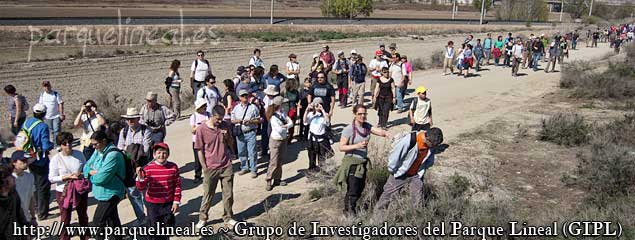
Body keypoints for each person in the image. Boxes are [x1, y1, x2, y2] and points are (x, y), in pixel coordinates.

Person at [333, 104, 391, 215]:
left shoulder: (366, 126)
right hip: (352, 163)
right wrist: (357, 146)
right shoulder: (348, 130)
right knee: (353, 189)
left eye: (364, 114)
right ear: (355, 114)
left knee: (360, 188)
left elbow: (377, 131)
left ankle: (350, 208)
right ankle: (349, 211)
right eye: (360, 114)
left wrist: (385, 133)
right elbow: (341, 147)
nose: (362, 116)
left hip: (362, 163)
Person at [374, 128, 444, 211]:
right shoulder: (409, 140)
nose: (434, 147)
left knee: (418, 199)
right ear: (427, 139)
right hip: (400, 173)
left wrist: (423, 170)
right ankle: (377, 219)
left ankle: (415, 218)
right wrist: (393, 171)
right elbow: (395, 156)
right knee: (387, 195)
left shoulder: (431, 144)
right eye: (433, 145)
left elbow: (429, 158)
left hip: (416, 175)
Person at [195, 105, 238, 230]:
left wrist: (227, 137)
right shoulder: (201, 129)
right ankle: (203, 218)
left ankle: (228, 217)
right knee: (208, 194)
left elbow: (231, 144)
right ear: (212, 115)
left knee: (228, 194)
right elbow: (199, 150)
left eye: (222, 119)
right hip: (210, 167)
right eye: (218, 119)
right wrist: (204, 167)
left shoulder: (225, 125)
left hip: (226, 165)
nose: (220, 121)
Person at [84, 130, 126, 240]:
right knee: (112, 219)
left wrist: (90, 175)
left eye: (95, 144)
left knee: (98, 222)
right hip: (102, 193)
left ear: (103, 141)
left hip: (111, 193)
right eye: (92, 144)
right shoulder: (98, 150)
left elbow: (101, 178)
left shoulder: (113, 155)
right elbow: (86, 166)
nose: (93, 147)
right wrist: (89, 172)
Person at [136, 143, 182, 240]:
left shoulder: (173, 167)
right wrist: (139, 177)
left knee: (167, 227)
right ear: (154, 155)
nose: (161, 155)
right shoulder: (148, 169)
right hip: (153, 205)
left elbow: (177, 185)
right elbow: (141, 188)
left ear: (168, 154)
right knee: (154, 229)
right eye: (159, 153)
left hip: (168, 203)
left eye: (164, 153)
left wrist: (176, 202)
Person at [49, 132, 89, 240]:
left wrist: (80, 175)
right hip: (63, 190)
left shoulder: (79, 154)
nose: (68, 145)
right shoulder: (56, 159)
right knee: (65, 217)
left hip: (79, 189)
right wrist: (65, 177)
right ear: (60, 145)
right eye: (64, 143)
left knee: (83, 215)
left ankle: (85, 236)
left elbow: (86, 170)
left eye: (69, 142)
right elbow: (51, 178)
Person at [117, 107, 151, 225]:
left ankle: (151, 216)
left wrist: (129, 148)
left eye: (132, 119)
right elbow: (120, 148)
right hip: (129, 167)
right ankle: (141, 218)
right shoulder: (124, 132)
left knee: (146, 192)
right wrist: (135, 148)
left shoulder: (145, 130)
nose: (130, 121)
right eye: (128, 119)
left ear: (138, 118)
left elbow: (145, 150)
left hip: (144, 165)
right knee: (133, 193)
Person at [23, 103, 53, 221]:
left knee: (35, 184)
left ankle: (36, 208)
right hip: (40, 160)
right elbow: (45, 146)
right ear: (44, 113)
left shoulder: (26, 122)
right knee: (43, 186)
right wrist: (52, 145)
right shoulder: (43, 126)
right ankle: (42, 213)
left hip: (29, 158)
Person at [265, 96, 293, 191]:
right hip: (276, 140)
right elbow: (279, 129)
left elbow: (291, 122)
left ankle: (277, 179)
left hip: (283, 139)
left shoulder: (283, 113)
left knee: (280, 161)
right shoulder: (273, 117)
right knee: (273, 162)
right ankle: (269, 180)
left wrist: (286, 126)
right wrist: (286, 127)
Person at [232, 90, 261, 178]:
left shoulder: (253, 107)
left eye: (246, 95)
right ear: (239, 97)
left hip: (251, 132)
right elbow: (232, 120)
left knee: (252, 152)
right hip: (240, 132)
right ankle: (244, 167)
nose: (244, 97)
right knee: (241, 151)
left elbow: (259, 119)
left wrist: (251, 121)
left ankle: (253, 169)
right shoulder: (236, 108)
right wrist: (238, 121)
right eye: (242, 96)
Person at [303, 98, 332, 173]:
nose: (317, 106)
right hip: (312, 139)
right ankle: (312, 171)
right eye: (316, 105)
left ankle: (322, 173)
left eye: (319, 104)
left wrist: (322, 110)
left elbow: (327, 122)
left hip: (321, 140)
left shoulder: (324, 115)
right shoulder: (311, 114)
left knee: (322, 158)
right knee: (312, 157)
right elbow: (305, 121)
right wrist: (306, 110)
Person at [0, 164, 29, 240]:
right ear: (4, 181)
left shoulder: (13, 194)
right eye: (10, 176)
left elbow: (20, 214)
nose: (13, 178)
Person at [11, 151, 36, 227]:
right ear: (14, 162)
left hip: (26, 218)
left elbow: (31, 198)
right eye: (23, 160)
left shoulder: (30, 177)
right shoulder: (9, 180)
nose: (26, 163)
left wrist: (33, 217)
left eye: (26, 160)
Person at [190, 99, 209, 183]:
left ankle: (208, 174)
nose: (205, 107)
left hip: (207, 139)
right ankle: (197, 175)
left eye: (205, 105)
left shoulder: (208, 114)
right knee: (198, 159)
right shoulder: (194, 116)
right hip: (197, 140)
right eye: (203, 106)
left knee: (208, 157)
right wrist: (202, 125)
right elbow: (193, 130)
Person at [283, 79, 300, 144]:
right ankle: (283, 138)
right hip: (284, 109)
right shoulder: (284, 91)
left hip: (293, 109)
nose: (295, 86)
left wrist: (298, 104)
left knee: (292, 125)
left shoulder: (296, 92)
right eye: (294, 84)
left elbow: (297, 100)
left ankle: (289, 139)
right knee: (284, 125)